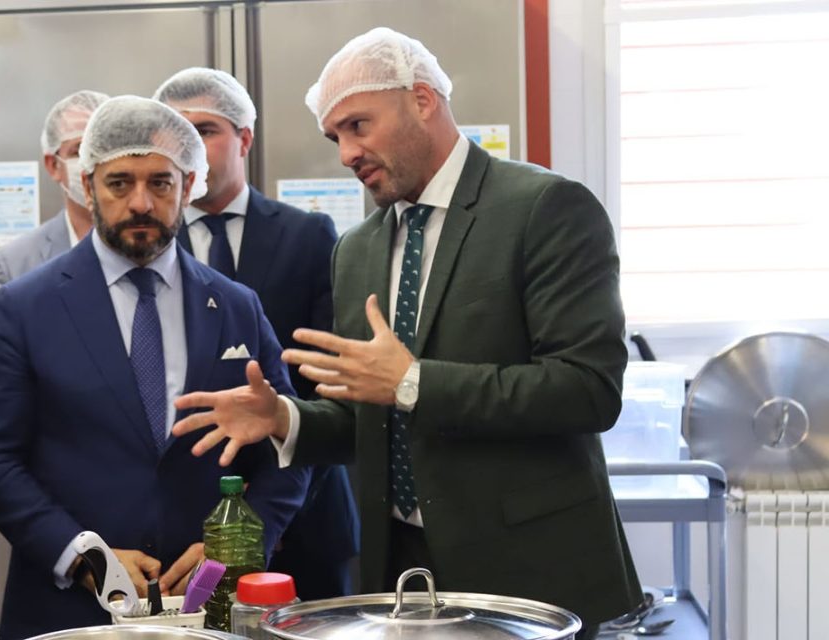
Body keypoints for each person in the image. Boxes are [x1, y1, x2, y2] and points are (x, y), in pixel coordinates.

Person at [171, 28, 640, 638]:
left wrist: (415, 381)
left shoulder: (545, 209)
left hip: (530, 569)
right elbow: (366, 416)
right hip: (400, 572)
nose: (345, 152)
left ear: (422, 100)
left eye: (358, 125)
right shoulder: (358, 249)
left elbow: (588, 391)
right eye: (335, 136)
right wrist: (285, 419)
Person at [0, 96, 310, 639]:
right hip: (69, 611)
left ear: (188, 185)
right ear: (88, 181)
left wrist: (239, 543)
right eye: (120, 183)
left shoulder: (236, 305)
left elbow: (291, 448)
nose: (140, 202)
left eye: (160, 184)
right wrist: (81, 554)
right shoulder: (27, 306)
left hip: (209, 608)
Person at [154, 68, 359, 599]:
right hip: (186, 518)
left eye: (205, 131)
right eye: (176, 134)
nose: (190, 148)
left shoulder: (309, 235)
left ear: (244, 138)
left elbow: (326, 386)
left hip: (305, 516)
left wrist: (269, 500)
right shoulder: (146, 247)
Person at [0, 90, 109, 313]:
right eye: (79, 151)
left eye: (104, 148)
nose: (93, 163)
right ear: (53, 165)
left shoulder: (150, 244)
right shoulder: (15, 264)